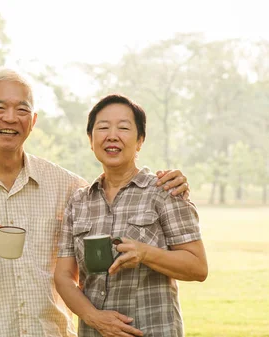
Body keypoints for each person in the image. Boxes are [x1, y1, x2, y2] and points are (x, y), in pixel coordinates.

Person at [0, 68, 192, 337]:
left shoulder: (65, 185)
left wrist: (168, 180)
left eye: (22, 110)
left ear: (33, 121)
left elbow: (115, 186)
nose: (10, 118)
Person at [54, 94, 208, 337]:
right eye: (103, 127)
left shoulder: (165, 190)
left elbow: (198, 267)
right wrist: (95, 318)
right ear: (91, 140)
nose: (112, 135)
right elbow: (63, 276)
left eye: (124, 128)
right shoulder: (78, 201)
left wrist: (146, 253)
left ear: (140, 141)